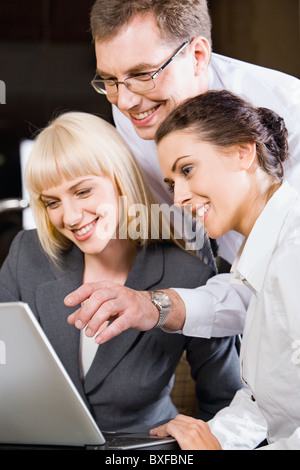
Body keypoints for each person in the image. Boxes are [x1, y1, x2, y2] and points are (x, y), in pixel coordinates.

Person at [64, 0, 300, 344]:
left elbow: (275, 275)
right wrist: (156, 304)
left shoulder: (291, 114)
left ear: (198, 56)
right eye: (110, 80)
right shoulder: (138, 111)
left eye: (142, 75)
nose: (125, 102)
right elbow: (247, 281)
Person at [0, 111, 242, 432]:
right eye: (52, 202)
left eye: (83, 191)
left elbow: (226, 404)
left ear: (121, 180)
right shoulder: (27, 253)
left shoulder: (189, 275)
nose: (70, 217)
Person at [149, 90, 300, 450]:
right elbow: (269, 403)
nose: (179, 198)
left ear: (242, 152)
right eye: (172, 183)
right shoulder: (260, 253)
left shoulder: (293, 253)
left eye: (187, 169)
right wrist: (209, 437)